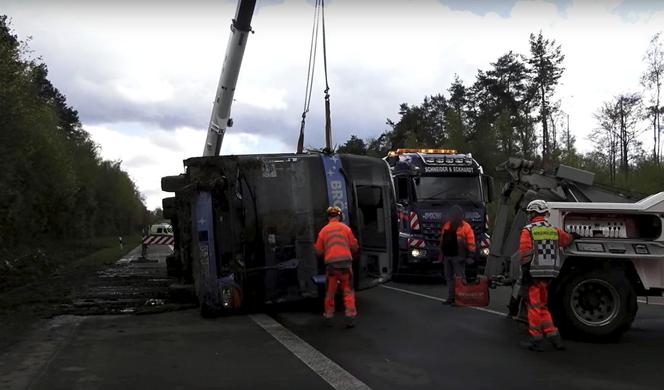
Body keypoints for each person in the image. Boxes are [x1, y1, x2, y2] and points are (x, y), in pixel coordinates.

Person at [519, 199, 573, 352]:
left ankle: (536, 338)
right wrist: (574, 237)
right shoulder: (553, 230)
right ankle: (554, 337)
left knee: (534, 306)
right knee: (542, 306)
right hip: (550, 274)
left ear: (533, 213)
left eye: (530, 213)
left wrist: (525, 273)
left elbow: (524, 254)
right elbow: (567, 240)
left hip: (534, 273)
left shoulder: (528, 230)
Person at [314, 206, 360, 327]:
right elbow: (355, 247)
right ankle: (350, 315)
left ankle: (329, 315)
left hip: (331, 267)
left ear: (328, 217)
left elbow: (318, 251)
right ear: (340, 216)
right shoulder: (346, 228)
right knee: (348, 291)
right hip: (346, 265)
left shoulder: (323, 231)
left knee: (330, 291)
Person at [440, 205, 476, 305]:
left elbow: (471, 243)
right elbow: (442, 241)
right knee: (450, 278)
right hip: (448, 256)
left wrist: (470, 256)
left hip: (458, 256)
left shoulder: (465, 226)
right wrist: (441, 255)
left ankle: (461, 299)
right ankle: (451, 298)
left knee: (459, 277)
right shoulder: (447, 225)